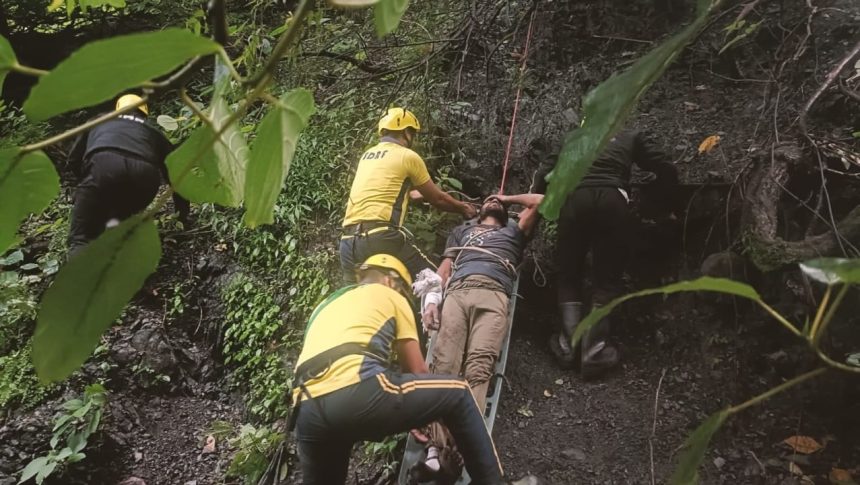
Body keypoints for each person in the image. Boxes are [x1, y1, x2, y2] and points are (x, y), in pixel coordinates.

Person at [290, 254, 504, 485]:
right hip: (357, 389)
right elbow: (417, 371)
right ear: (391, 280)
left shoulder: (324, 306)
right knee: (458, 392)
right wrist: (434, 417)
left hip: (306, 408)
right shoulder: (391, 295)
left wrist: (413, 414)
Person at [417, 193, 544, 479]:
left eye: (498, 202)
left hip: (494, 293)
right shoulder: (462, 232)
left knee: (479, 367)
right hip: (458, 292)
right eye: (489, 200)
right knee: (444, 366)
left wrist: (506, 197)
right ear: (478, 211)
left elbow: (539, 201)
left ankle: (457, 449)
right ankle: (437, 450)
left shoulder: (514, 231)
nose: (493, 201)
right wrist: (431, 302)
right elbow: (443, 271)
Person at [548, 129, 678, 379]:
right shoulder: (630, 135)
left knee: (568, 274)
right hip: (613, 199)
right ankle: (594, 352)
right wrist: (661, 202)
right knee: (606, 279)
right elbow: (664, 166)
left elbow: (547, 172)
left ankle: (567, 347)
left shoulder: (573, 137)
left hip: (575, 199)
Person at [339, 107, 477, 283]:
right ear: (406, 132)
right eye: (412, 133)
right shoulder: (407, 156)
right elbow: (438, 199)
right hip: (381, 237)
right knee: (433, 283)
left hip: (348, 243)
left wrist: (411, 194)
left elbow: (384, 191)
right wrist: (463, 208)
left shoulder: (367, 155)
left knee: (354, 295)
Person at [67, 94, 189, 255]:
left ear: (117, 109)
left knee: (82, 238)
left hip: (104, 164)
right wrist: (182, 216)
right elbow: (177, 175)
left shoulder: (99, 121)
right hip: (144, 176)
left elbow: (74, 159)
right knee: (119, 222)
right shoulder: (153, 132)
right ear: (144, 114)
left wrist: (85, 187)